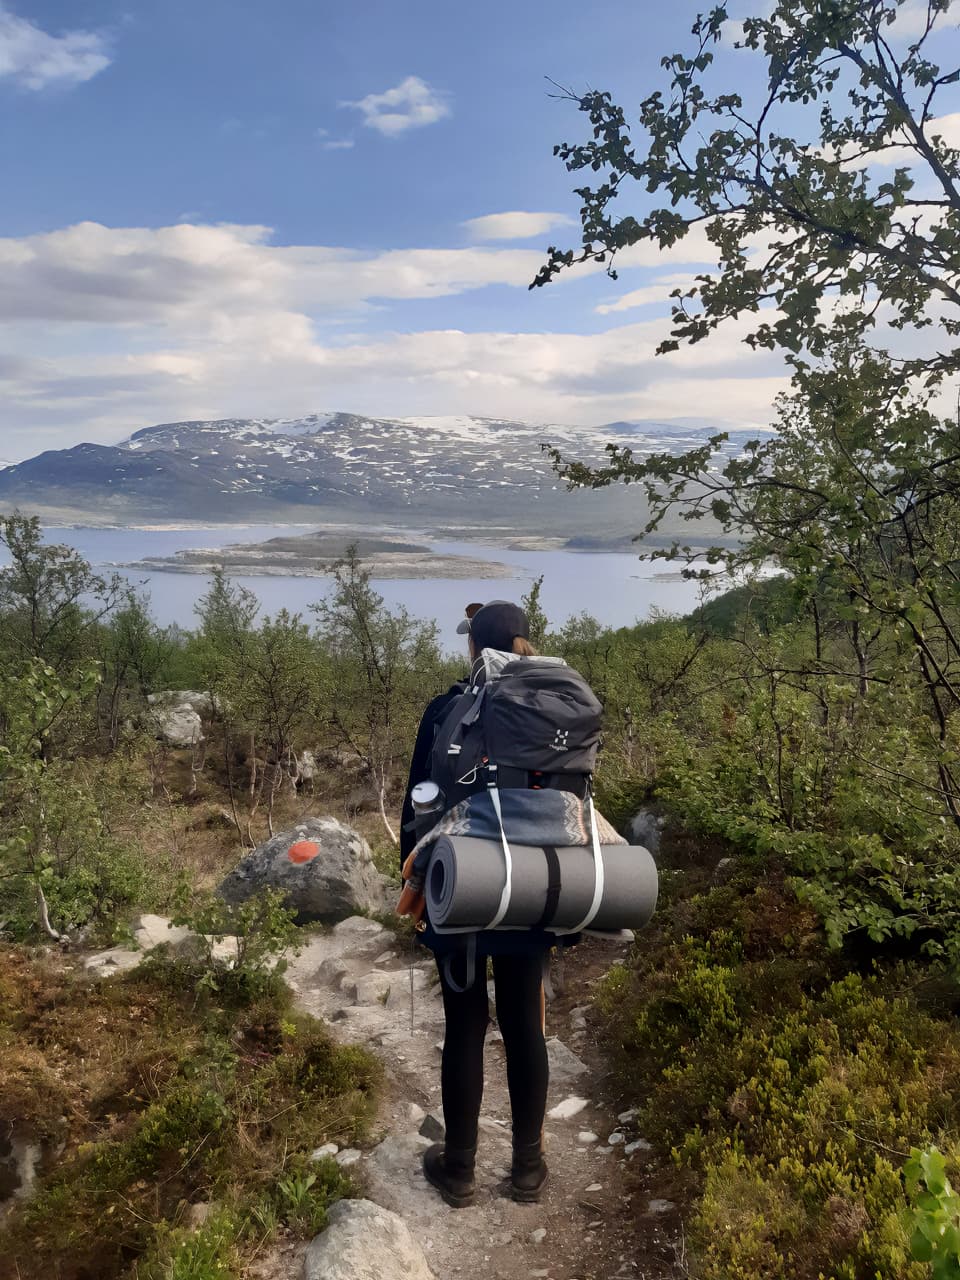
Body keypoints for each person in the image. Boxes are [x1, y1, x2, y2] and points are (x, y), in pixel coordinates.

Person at [400, 600, 556, 1210]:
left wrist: (417, 886)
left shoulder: (446, 709)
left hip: (462, 883)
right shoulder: (548, 707)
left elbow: (419, 798)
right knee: (524, 1021)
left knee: (465, 1020)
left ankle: (459, 1168)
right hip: (533, 885)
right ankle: (528, 1168)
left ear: (474, 650)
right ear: (524, 642)